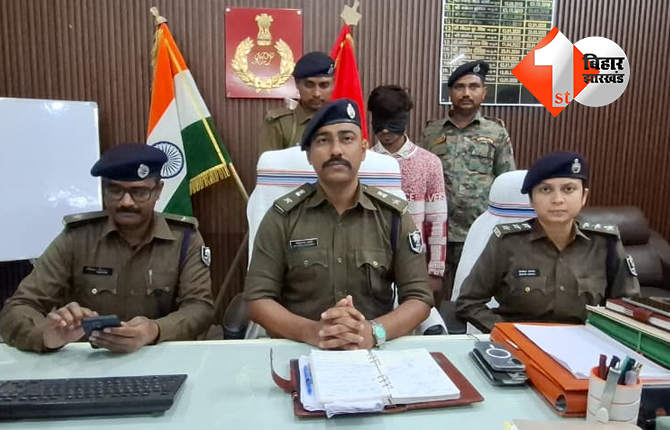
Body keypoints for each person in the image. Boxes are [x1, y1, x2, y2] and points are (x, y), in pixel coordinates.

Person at [245, 98, 434, 350]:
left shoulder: (393, 216)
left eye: (346, 139)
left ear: (363, 149)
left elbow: (419, 298)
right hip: (300, 349)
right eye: (323, 141)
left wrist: (373, 332)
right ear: (309, 154)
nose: (336, 150)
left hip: (374, 351)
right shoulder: (282, 216)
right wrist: (311, 332)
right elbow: (257, 299)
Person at [0, 143, 215, 353]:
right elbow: (18, 308)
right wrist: (46, 336)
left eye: (139, 192)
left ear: (158, 191)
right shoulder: (76, 238)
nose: (126, 202)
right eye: (115, 190)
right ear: (104, 189)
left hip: (158, 357)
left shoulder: (185, 239)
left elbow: (200, 308)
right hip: (87, 361)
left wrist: (155, 330)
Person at [455, 151, 640, 333]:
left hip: (588, 343)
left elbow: (628, 309)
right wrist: (508, 333)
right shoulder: (507, 242)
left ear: (583, 196)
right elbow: (468, 302)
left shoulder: (605, 244)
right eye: (546, 190)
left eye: (568, 189)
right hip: (520, 344)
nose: (557, 200)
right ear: (531, 199)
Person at [418, 61, 516, 303]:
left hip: (477, 231)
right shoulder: (432, 132)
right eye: (460, 87)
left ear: (484, 92)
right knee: (430, 296)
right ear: (450, 92)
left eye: (473, 87)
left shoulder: (496, 132)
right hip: (437, 232)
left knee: (472, 295)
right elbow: (421, 179)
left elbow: (506, 181)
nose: (466, 93)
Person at [368, 85, 447, 304]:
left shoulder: (429, 163)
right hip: (370, 262)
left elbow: (437, 220)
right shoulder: (362, 162)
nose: (385, 131)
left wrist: (435, 270)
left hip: (414, 261)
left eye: (393, 122)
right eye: (380, 122)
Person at [258, 51, 335, 156]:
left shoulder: (343, 121)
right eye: (309, 85)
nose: (317, 93)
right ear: (297, 83)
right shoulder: (281, 124)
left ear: (333, 84)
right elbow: (269, 165)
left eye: (324, 85)